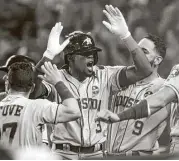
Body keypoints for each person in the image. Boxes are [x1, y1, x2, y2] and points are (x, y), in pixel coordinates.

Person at [35, 4, 152, 159]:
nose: (91, 56)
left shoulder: (105, 75)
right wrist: (48, 55)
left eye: (92, 52)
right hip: (63, 154)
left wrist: (126, 36)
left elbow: (145, 70)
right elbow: (29, 90)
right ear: (70, 58)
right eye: (85, 53)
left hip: (96, 154)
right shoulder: (56, 76)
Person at [104, 34, 170, 157]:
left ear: (157, 60)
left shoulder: (164, 88)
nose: (137, 55)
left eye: (144, 52)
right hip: (109, 155)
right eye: (136, 50)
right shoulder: (120, 79)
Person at [0, 62, 81, 150]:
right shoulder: (37, 107)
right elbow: (74, 111)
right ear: (32, 88)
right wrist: (58, 82)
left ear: (8, 85)